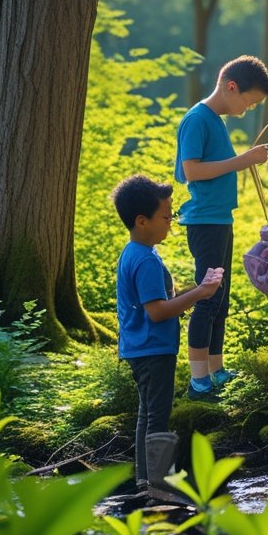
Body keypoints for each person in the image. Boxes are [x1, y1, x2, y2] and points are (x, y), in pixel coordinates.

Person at [111, 174, 224, 501]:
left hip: (140, 347)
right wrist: (201, 293)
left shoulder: (134, 252)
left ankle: (146, 481)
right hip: (152, 348)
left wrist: (194, 291)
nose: (171, 223)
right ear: (142, 221)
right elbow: (158, 312)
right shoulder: (145, 259)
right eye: (166, 217)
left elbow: (159, 304)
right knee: (157, 415)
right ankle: (159, 487)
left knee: (148, 413)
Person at [174, 55, 268, 398]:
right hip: (204, 220)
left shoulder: (217, 120)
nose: (248, 109)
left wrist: (242, 160)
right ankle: (198, 379)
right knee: (207, 295)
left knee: (220, 298)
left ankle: (216, 370)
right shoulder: (197, 119)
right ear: (232, 87)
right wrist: (243, 161)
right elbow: (192, 171)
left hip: (220, 219)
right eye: (249, 101)